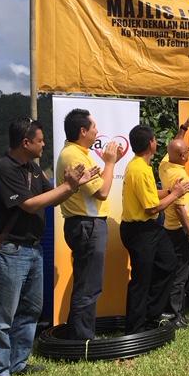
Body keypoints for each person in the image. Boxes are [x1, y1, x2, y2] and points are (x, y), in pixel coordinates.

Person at [0, 117, 98, 376]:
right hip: (11, 250)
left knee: (30, 310)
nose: (44, 144)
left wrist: (74, 185)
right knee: (2, 315)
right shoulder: (4, 169)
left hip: (33, 248)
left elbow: (53, 197)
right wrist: (68, 186)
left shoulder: (33, 169)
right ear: (26, 143)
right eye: (40, 140)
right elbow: (31, 205)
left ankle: (18, 362)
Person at [55, 109, 124, 340]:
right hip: (87, 225)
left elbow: (98, 184)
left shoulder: (78, 153)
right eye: (94, 127)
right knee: (89, 285)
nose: (97, 131)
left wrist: (109, 164)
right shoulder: (74, 156)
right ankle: (82, 339)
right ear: (83, 131)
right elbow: (102, 192)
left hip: (86, 224)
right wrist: (110, 163)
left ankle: (79, 333)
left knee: (86, 282)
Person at [120, 125, 189, 335]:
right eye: (154, 139)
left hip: (151, 228)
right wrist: (176, 194)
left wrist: (171, 190)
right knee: (141, 279)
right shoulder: (139, 169)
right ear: (150, 143)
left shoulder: (141, 165)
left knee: (168, 263)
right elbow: (152, 207)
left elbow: (152, 194)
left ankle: (152, 313)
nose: (156, 142)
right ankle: (135, 328)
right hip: (139, 230)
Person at [159, 138, 189, 328]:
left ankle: (178, 313)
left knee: (178, 271)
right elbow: (179, 208)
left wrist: (183, 129)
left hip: (172, 228)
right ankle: (175, 317)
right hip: (180, 230)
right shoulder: (179, 176)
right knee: (180, 274)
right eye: (188, 150)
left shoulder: (165, 165)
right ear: (183, 155)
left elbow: (173, 147)